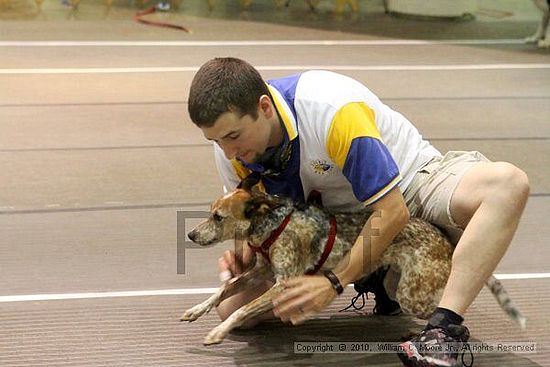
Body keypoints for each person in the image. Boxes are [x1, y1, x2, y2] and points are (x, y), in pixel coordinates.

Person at [187, 57, 529, 367]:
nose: (229, 151)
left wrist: (334, 282)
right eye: (216, 141)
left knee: (507, 185)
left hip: (406, 192)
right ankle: (377, 272)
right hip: (335, 230)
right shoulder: (233, 151)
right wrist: (242, 255)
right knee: (232, 312)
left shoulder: (332, 110)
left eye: (233, 136)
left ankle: (444, 331)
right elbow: (251, 223)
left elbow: (393, 211)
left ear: (264, 107)